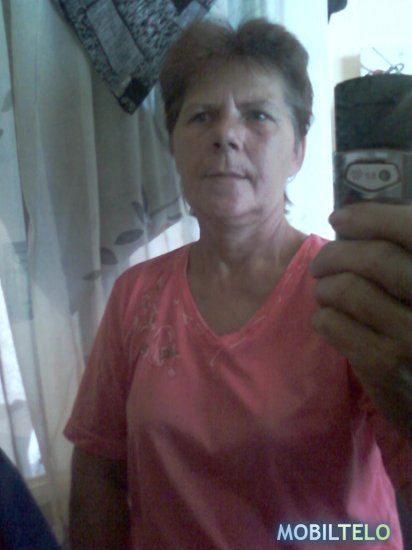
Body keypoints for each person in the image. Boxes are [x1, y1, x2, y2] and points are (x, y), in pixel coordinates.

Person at [64, 17, 412, 549]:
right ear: (174, 147)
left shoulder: (351, 288)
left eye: (258, 115)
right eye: (201, 116)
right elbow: (99, 472)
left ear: (298, 151)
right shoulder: (135, 295)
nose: (226, 134)